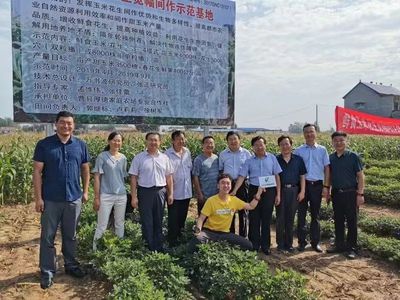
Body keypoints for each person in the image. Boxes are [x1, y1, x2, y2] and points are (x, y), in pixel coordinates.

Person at [33, 111, 90, 289]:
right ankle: (48, 271)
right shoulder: (44, 145)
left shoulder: (80, 145)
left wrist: (85, 191)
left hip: (73, 198)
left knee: (71, 235)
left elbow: (85, 169)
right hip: (51, 199)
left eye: (69, 123)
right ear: (56, 124)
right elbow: (37, 172)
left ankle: (71, 265)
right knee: (48, 236)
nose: (66, 126)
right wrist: (38, 198)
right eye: (63, 123)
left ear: (74, 125)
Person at [232, 136, 282, 255]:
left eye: (261, 144)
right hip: (254, 190)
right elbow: (242, 176)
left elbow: (277, 176)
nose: (259, 147)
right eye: (256, 145)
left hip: (269, 191)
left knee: (266, 219)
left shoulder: (272, 158)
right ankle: (254, 244)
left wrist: (278, 194)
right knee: (254, 218)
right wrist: (234, 190)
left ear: (265, 145)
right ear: (253, 147)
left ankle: (265, 245)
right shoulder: (249, 160)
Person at [190, 174, 261, 252]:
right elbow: (201, 219)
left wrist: (258, 194)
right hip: (209, 232)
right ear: (218, 186)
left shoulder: (234, 200)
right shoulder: (211, 200)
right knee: (196, 241)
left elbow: (251, 206)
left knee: (248, 245)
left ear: (231, 186)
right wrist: (198, 231)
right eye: (223, 183)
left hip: (225, 234)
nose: (225, 185)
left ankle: (218, 246)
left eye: (228, 183)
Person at [129, 132, 173, 252]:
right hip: (145, 192)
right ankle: (148, 247)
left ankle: (158, 247)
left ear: (160, 142)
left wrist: (170, 193)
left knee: (159, 219)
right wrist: (134, 196)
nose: (153, 142)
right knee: (147, 220)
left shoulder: (164, 158)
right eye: (150, 140)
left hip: (160, 191)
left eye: (156, 140)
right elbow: (133, 178)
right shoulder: (139, 158)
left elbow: (169, 177)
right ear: (146, 141)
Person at [326, 131, 365, 259]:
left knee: (352, 221)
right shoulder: (331, 158)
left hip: (350, 193)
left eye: (341, 140)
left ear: (346, 141)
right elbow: (329, 176)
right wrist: (327, 191)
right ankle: (339, 245)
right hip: (336, 193)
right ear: (332, 143)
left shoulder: (353, 156)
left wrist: (360, 194)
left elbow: (360, 176)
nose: (338, 143)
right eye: (336, 140)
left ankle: (352, 248)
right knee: (338, 220)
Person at [294, 123, 330, 253]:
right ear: (303, 134)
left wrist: (326, 186)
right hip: (303, 186)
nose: (309, 134)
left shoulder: (322, 150)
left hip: (317, 186)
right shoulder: (298, 151)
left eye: (311, 131)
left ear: (316, 133)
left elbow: (327, 168)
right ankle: (302, 242)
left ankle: (315, 243)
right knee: (301, 215)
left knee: (315, 215)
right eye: (306, 132)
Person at [92, 132, 128, 250]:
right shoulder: (102, 156)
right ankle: (96, 249)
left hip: (121, 195)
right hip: (105, 195)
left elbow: (122, 177)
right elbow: (97, 177)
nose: (117, 143)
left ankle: (118, 250)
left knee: (119, 223)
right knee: (102, 225)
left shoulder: (123, 158)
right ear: (109, 141)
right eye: (114, 140)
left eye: (119, 141)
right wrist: (97, 197)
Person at [275, 135, 306, 253]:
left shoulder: (298, 159)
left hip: (294, 191)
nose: (285, 146)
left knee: (290, 218)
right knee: (280, 218)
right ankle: (280, 244)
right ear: (279, 146)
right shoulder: (276, 159)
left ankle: (289, 244)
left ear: (291, 145)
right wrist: (277, 194)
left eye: (287, 144)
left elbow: (302, 176)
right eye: (282, 144)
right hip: (280, 190)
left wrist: (302, 191)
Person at [219, 131, 251, 236]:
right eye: (230, 139)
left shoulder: (246, 153)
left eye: (235, 139)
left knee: (243, 210)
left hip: (243, 184)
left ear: (239, 140)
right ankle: (230, 236)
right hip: (227, 185)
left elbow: (250, 169)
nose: (233, 141)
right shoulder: (223, 154)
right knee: (229, 211)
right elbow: (220, 170)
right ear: (227, 141)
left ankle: (243, 237)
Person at [165, 130, 193, 246]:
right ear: (173, 141)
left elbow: (189, 169)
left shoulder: (187, 152)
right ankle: (172, 242)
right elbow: (167, 175)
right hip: (174, 193)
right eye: (178, 139)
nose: (181, 141)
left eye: (182, 139)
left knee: (183, 217)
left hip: (186, 192)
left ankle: (180, 240)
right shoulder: (167, 155)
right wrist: (170, 193)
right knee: (173, 219)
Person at [192, 136, 219, 215]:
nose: (209, 145)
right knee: (204, 218)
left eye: (211, 143)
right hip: (204, 195)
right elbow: (195, 177)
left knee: (215, 218)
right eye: (206, 143)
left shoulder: (217, 158)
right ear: (202, 145)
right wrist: (199, 194)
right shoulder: (198, 159)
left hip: (216, 195)